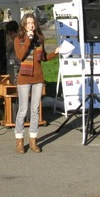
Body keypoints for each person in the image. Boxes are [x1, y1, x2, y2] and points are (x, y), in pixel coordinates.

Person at [13, 13, 60, 154]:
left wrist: (55, 53)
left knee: (35, 110)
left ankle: (33, 140)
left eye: (32, 23)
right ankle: (20, 141)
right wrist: (28, 38)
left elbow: (43, 57)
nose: (31, 25)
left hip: (38, 78)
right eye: (28, 23)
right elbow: (21, 56)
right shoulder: (19, 39)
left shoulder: (40, 39)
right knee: (23, 110)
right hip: (24, 78)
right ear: (23, 25)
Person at [5, 20, 20, 85]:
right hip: (11, 61)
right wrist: (11, 40)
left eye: (12, 32)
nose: (10, 34)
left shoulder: (20, 36)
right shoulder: (8, 37)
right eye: (9, 33)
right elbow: (6, 49)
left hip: (19, 60)